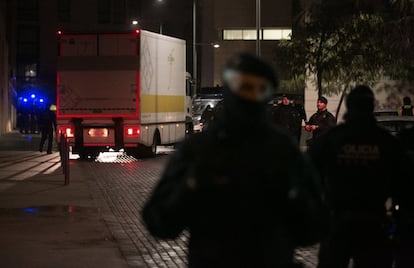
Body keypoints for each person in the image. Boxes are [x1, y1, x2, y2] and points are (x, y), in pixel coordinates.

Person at [141, 52, 326, 268]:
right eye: (243, 87)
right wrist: (190, 187)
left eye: (256, 88)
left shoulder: (281, 150)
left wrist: (291, 196)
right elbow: (160, 221)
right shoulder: (202, 149)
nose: (247, 97)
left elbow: (315, 225)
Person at [307, 85, 414, 268]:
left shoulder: (332, 138)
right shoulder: (385, 141)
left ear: (349, 106)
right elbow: (404, 185)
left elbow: (306, 174)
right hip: (373, 224)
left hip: (338, 222)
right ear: (371, 106)